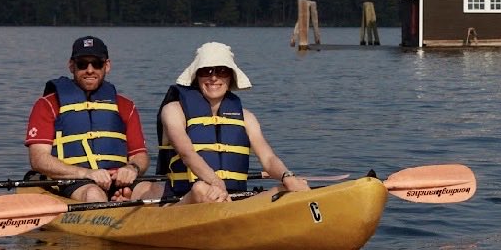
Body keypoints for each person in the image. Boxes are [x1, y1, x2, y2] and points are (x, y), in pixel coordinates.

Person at [143, 41, 309, 204]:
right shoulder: (173, 111)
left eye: (222, 71)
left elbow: (268, 158)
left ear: (231, 77)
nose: (214, 78)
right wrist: (215, 182)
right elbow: (187, 154)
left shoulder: (247, 118)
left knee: (285, 190)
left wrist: (288, 176)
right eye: (206, 71)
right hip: (185, 198)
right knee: (201, 189)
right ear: (196, 76)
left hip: (234, 199)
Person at [24, 36, 149, 202]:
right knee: (93, 193)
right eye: (82, 64)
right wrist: (87, 174)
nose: (90, 70)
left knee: (151, 189)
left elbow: (140, 155)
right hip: (74, 182)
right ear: (71, 66)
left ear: (107, 66)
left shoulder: (126, 106)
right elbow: (38, 159)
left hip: (119, 181)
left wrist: (132, 168)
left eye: (97, 63)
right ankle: (111, 212)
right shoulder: (47, 105)